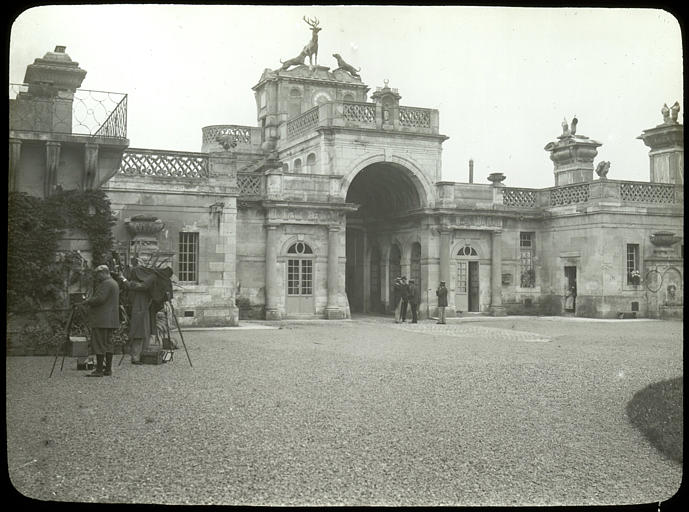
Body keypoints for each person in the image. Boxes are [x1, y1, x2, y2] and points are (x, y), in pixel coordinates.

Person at [81, 264, 120, 377]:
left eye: (98, 274)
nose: (97, 277)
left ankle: (99, 370)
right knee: (108, 344)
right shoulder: (114, 283)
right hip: (111, 319)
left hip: (102, 319)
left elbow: (100, 299)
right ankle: (107, 369)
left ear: (103, 273)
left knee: (99, 344)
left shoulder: (106, 283)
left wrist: (88, 301)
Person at [120, 262, 155, 364]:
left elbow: (134, 286)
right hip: (140, 310)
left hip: (140, 311)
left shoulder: (143, 285)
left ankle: (138, 356)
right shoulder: (144, 283)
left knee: (140, 334)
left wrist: (123, 279)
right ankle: (137, 356)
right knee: (139, 333)